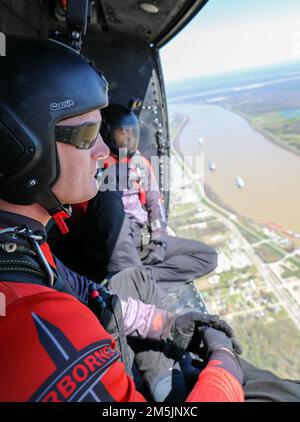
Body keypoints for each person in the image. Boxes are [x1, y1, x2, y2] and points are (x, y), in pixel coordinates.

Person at [0, 34, 244, 402]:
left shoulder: (24, 250)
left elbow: (90, 293)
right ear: (22, 147)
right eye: (87, 134)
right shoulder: (36, 326)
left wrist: (166, 324)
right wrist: (225, 367)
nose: (103, 150)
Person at [52, 103, 217, 289]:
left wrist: (159, 239)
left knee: (207, 256)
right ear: (107, 133)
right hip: (106, 240)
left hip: (143, 238)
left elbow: (155, 202)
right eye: (123, 134)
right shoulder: (97, 165)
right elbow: (85, 210)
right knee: (108, 192)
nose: (130, 139)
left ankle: (140, 278)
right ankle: (130, 275)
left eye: (133, 133)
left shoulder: (141, 164)